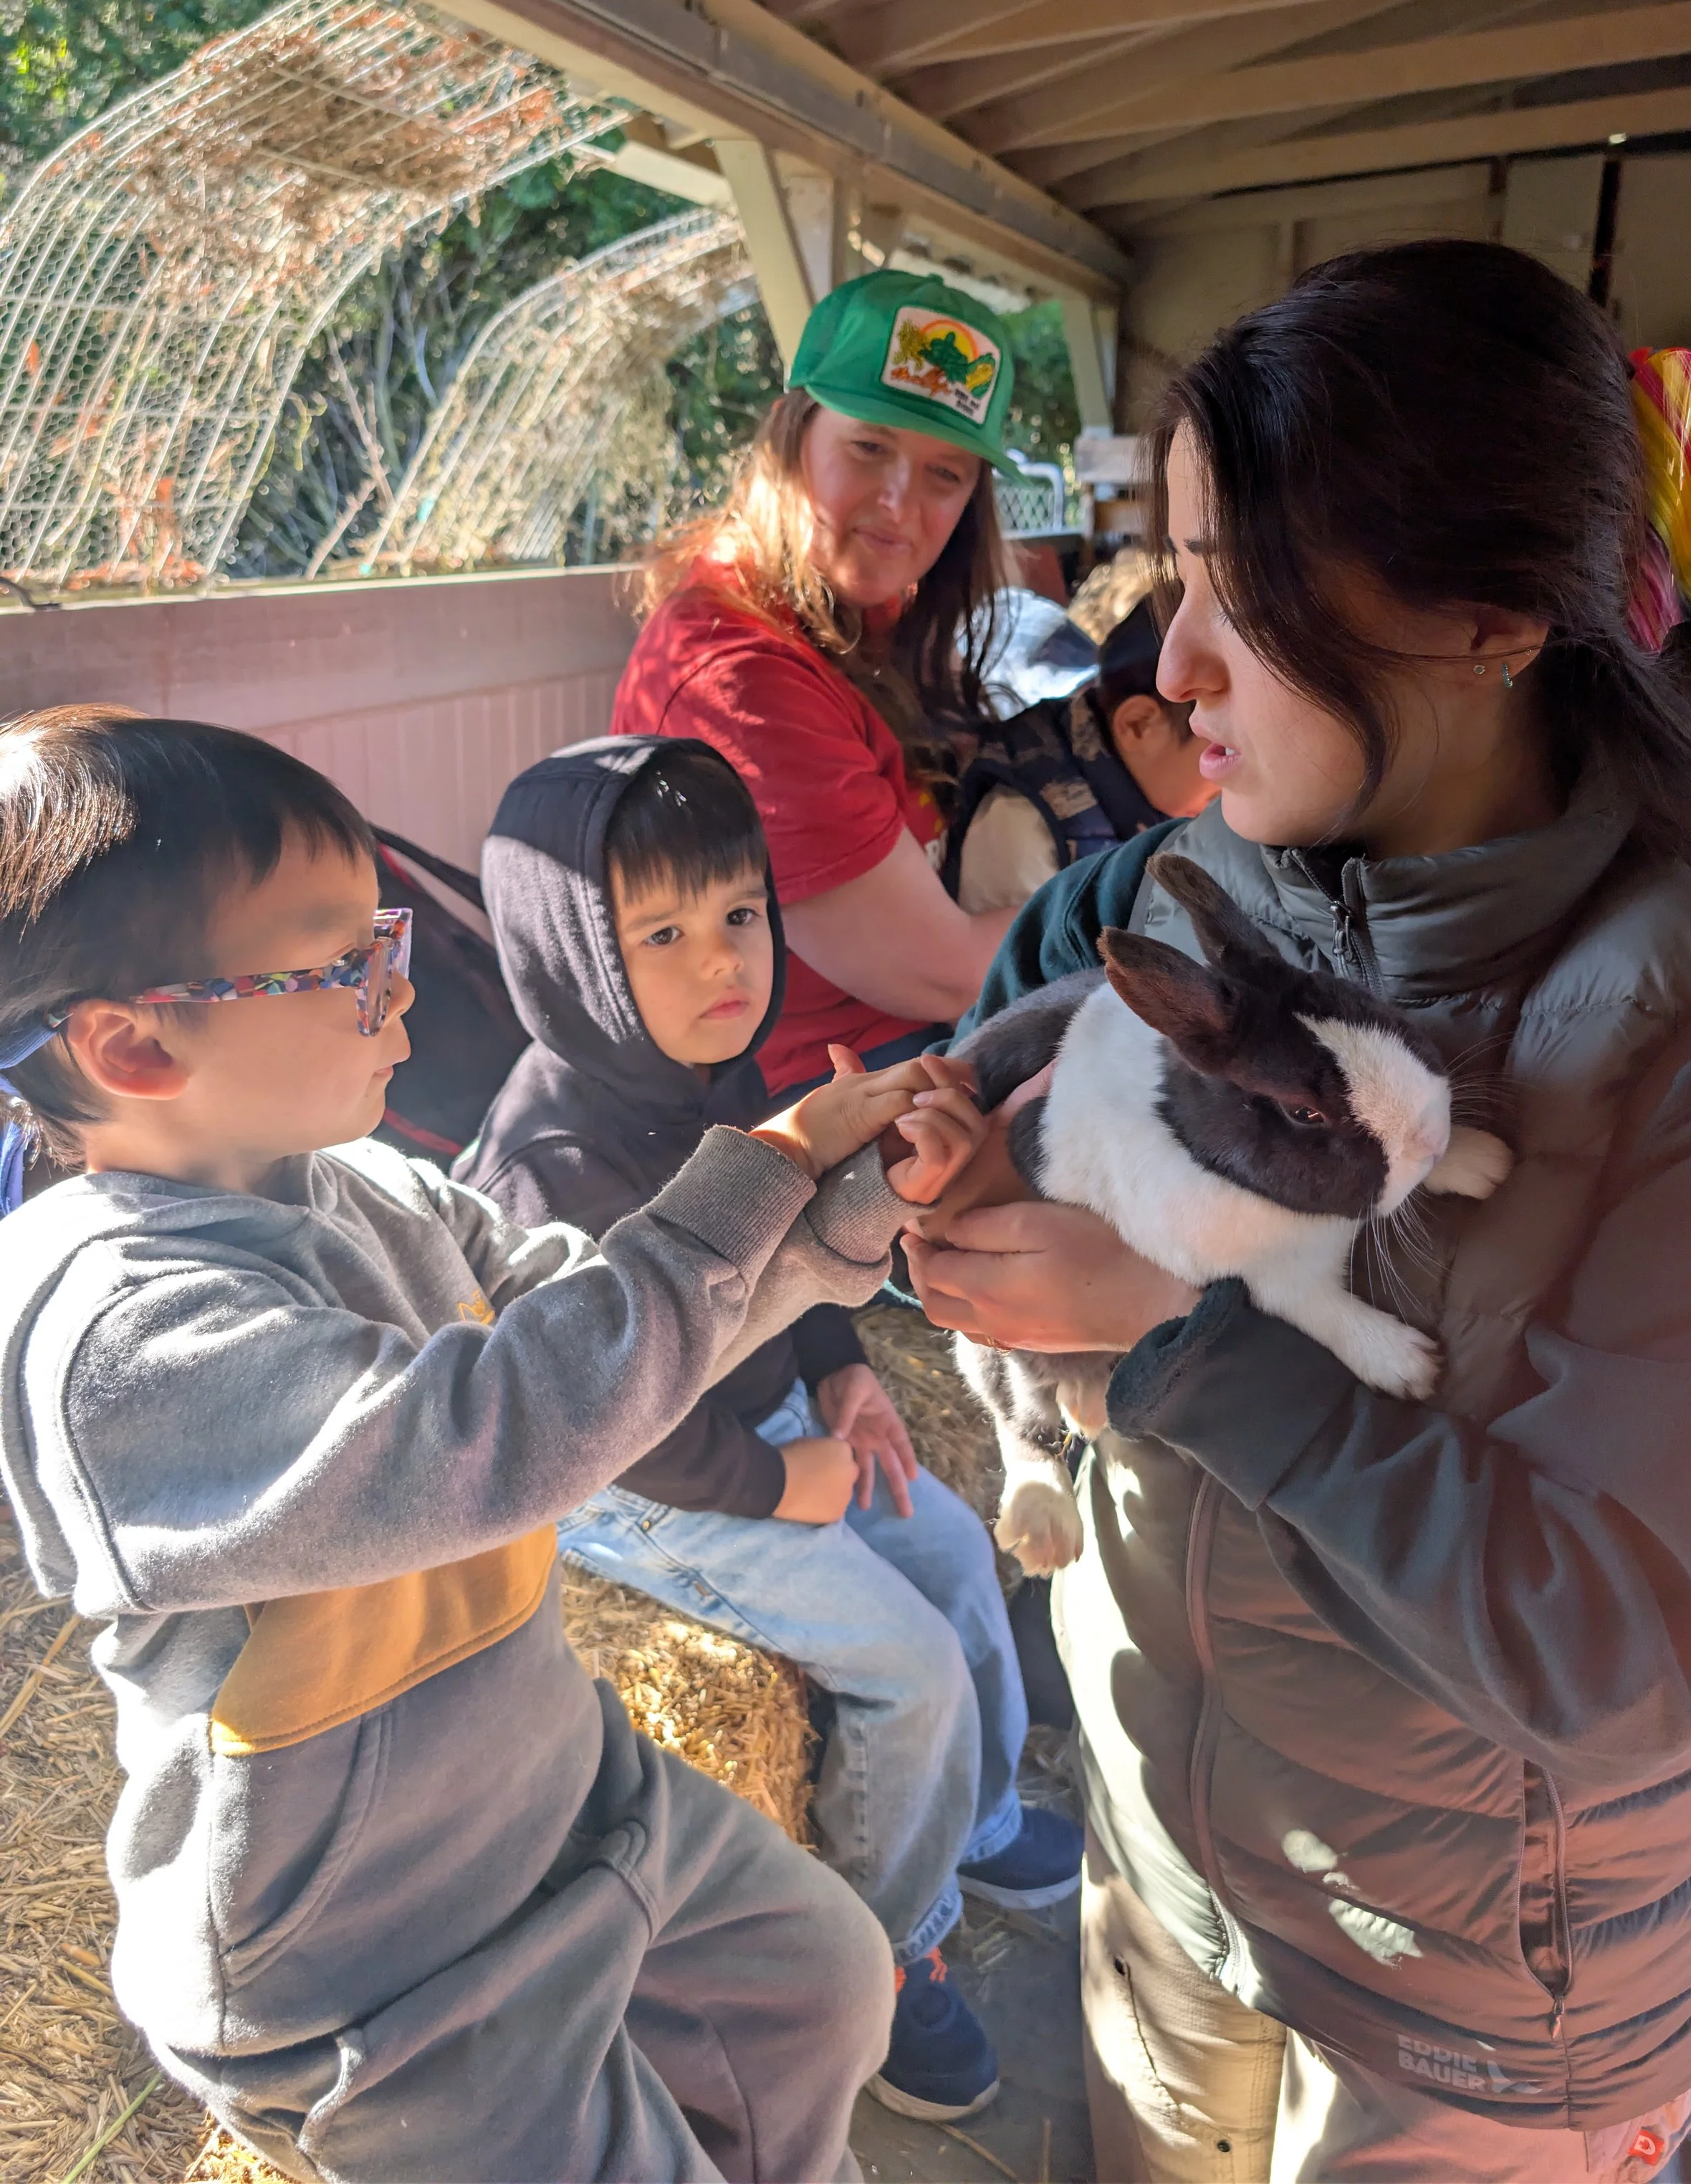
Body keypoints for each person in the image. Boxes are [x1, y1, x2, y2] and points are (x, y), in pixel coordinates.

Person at [905, 243, 1691, 2183]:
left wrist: (1169, 1330)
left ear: (1492, 617)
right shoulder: (1166, 897)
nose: (1166, 665)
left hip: (1482, 1995)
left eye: (1244, 593)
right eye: (1171, 572)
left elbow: (1633, 1656)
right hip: (1173, 1857)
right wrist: (938, 1150)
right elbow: (1003, 1078)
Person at [0, 705, 990, 2184]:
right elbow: (493, 1436)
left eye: (381, 934)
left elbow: (621, 1337)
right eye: (342, 963)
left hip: (560, 1794)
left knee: (825, 1984)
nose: (400, 985)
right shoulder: (116, 1334)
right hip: (368, 1963)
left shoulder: (371, 1185)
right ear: (136, 1043)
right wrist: (757, 1174)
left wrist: (845, 1209)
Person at [454, 731, 1081, 2122]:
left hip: (763, 1413)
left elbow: (790, 1239)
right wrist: (768, 1478)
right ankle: (895, 1945)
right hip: (649, 1475)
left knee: (960, 1556)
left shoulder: (706, 1068)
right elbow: (596, 1413)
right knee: (904, 1664)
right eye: (662, 931)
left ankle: (973, 1821)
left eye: (739, 914)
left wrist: (847, 1372)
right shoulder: (546, 1161)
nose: (721, 962)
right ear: (568, 952)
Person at [610, 267, 1027, 1096]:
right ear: (789, 434)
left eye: (945, 473)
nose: (899, 505)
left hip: (926, 1053)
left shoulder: (853, 626)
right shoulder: (736, 676)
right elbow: (940, 973)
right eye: (869, 448)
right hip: (821, 1102)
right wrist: (1141, 893)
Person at [947, 598, 1217, 913]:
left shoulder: (1158, 794)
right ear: (1139, 725)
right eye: (1225, 751)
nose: (1242, 780)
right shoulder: (1024, 835)